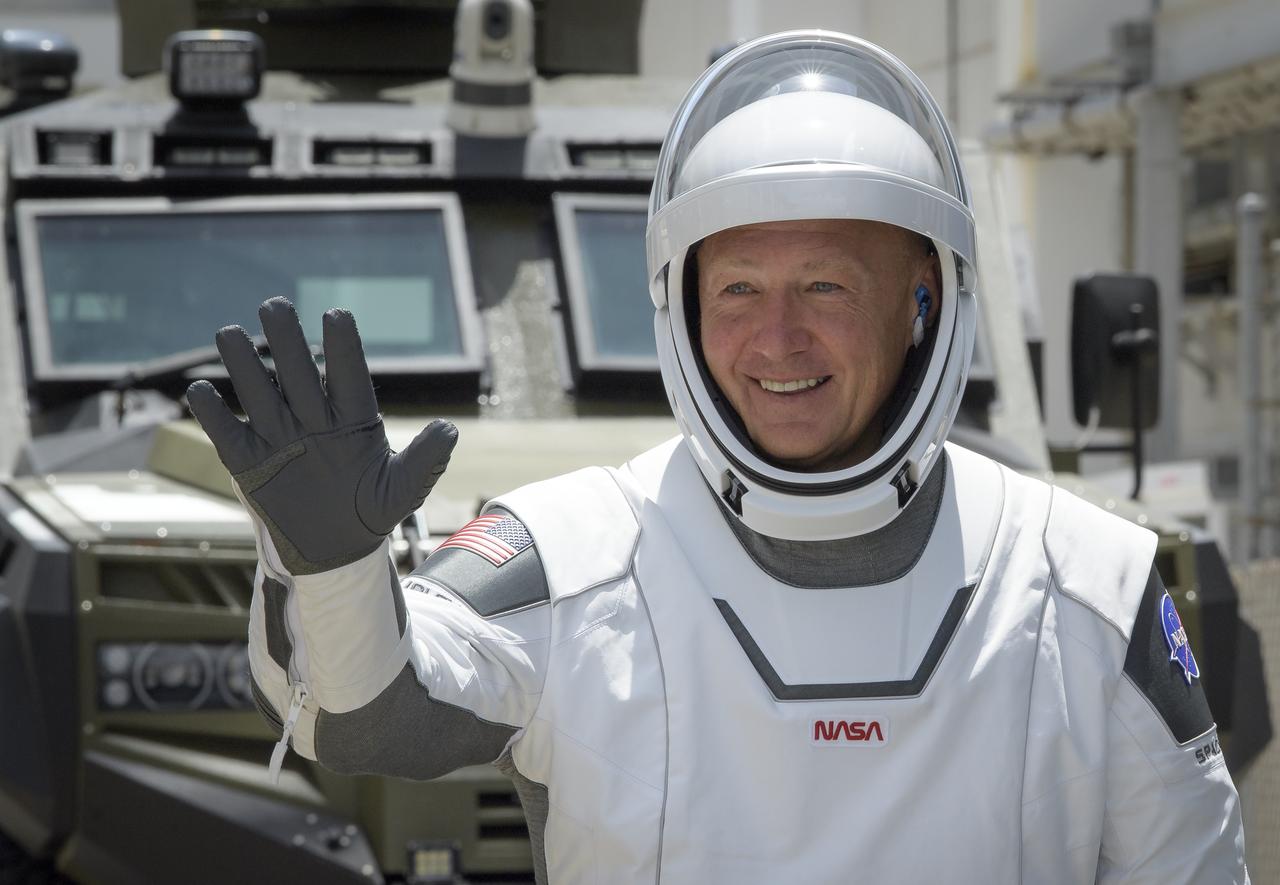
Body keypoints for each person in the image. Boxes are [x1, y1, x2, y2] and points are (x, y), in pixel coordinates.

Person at [189, 30, 1248, 884]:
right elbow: (356, 718)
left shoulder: (1089, 583)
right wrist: (326, 571)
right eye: (737, 289)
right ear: (680, 308)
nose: (775, 340)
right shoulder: (569, 556)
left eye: (826, 286)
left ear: (924, 299)